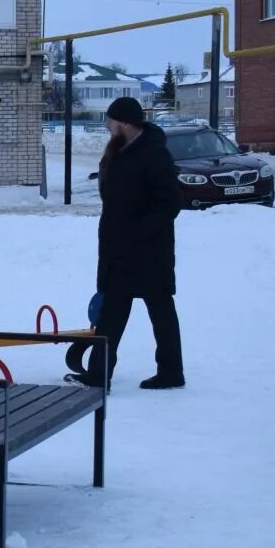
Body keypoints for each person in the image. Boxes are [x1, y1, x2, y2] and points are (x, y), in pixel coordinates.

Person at [89, 96, 184, 389]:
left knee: (160, 310)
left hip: (149, 252)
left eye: (111, 121)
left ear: (126, 123)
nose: (108, 125)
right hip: (119, 251)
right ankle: (97, 376)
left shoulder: (155, 154)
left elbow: (169, 204)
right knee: (112, 313)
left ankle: (171, 373)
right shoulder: (118, 151)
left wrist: (137, 231)